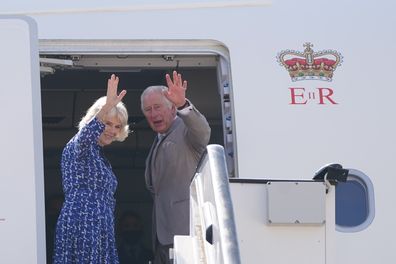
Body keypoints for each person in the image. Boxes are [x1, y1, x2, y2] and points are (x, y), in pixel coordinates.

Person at [53, 74, 129, 263]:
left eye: (117, 126)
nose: (112, 130)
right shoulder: (81, 145)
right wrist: (106, 108)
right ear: (96, 120)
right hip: (83, 223)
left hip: (101, 227)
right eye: (107, 123)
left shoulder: (99, 155)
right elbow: (86, 134)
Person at [141, 70, 211, 264]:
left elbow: (203, 131)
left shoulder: (185, 130)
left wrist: (183, 105)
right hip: (162, 238)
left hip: (185, 233)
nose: (153, 113)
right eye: (148, 109)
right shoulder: (159, 139)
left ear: (172, 108)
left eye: (157, 107)